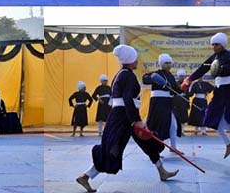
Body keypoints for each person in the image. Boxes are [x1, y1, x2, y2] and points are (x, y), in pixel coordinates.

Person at [76, 45, 178, 193]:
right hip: (122, 118)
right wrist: (136, 120)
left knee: (148, 142)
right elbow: (127, 99)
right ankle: (85, 176)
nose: (137, 61)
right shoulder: (127, 76)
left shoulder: (121, 74)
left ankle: (162, 171)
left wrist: (134, 119)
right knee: (113, 150)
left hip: (123, 115)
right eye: (135, 58)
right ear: (130, 60)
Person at [181, 32, 230, 159]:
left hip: (229, 89)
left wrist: (223, 67)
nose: (214, 47)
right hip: (219, 90)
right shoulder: (213, 57)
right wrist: (189, 79)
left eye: (217, 44)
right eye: (213, 44)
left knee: (227, 120)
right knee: (211, 119)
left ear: (223, 44)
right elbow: (202, 69)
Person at [142, 54, 182, 152]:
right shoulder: (156, 73)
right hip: (158, 103)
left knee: (173, 125)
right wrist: (153, 79)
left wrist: (183, 87)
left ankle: (173, 147)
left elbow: (174, 90)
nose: (168, 65)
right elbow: (145, 79)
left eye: (169, 63)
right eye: (166, 63)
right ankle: (156, 149)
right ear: (161, 64)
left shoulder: (171, 76)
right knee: (158, 126)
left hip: (168, 102)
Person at [172, 69, 190, 136]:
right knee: (176, 119)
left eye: (183, 76)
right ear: (178, 76)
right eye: (180, 76)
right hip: (176, 105)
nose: (182, 77)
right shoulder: (174, 84)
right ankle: (176, 131)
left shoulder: (186, 85)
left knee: (183, 119)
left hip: (183, 105)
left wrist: (187, 104)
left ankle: (182, 131)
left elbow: (187, 95)